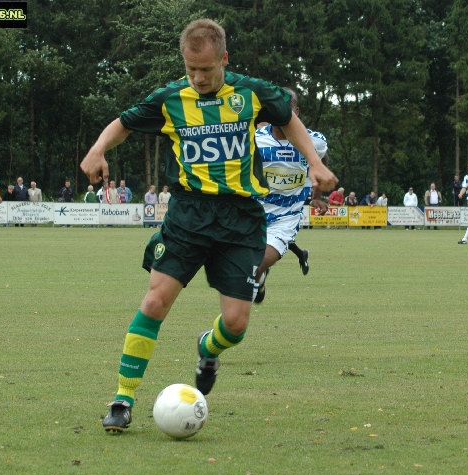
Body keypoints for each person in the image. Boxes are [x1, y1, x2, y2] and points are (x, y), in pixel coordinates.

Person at [79, 18, 337, 433]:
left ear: (224, 59)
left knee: (235, 325)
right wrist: (97, 150)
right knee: (155, 302)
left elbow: (288, 118)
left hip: (240, 219)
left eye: (206, 69)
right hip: (189, 214)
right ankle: (122, 399)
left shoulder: (250, 93)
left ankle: (207, 347)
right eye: (191, 69)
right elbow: (123, 123)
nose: (198, 78)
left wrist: (315, 163)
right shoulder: (171, 99)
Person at [252, 87, 329, 303]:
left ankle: (257, 276)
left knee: (251, 267)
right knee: (241, 270)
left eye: (289, 109)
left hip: (286, 216)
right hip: (252, 213)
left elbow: (322, 157)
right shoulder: (254, 139)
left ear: (297, 111)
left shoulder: (314, 141)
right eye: (276, 108)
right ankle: (258, 280)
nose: (283, 113)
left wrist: (317, 194)